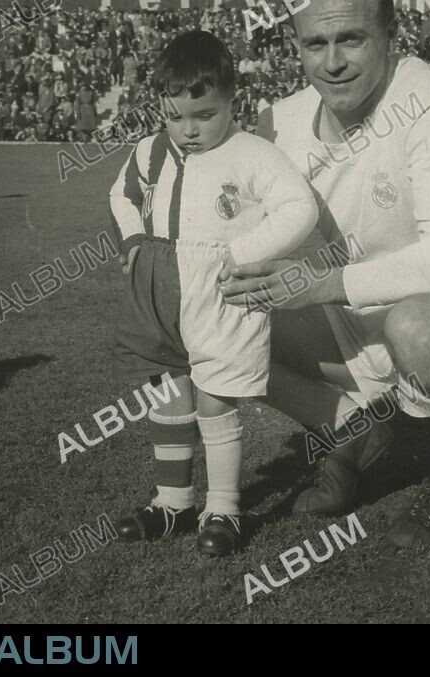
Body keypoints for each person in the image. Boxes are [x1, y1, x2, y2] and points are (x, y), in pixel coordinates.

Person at [218, 0, 430, 547]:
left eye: (351, 39)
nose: (332, 61)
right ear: (296, 47)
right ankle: (349, 430)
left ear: (390, 35)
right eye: (315, 43)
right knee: (202, 306)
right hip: (350, 319)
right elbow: (235, 230)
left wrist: (317, 284)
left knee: (420, 326)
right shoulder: (276, 123)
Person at [109, 31, 317, 557]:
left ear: (232, 102)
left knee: (215, 397)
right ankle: (172, 501)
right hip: (160, 284)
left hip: (220, 288)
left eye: (203, 114)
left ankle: (223, 507)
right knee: (169, 395)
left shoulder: (252, 153)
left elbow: (299, 208)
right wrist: (134, 238)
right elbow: (123, 194)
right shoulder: (149, 151)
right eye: (175, 115)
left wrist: (244, 251)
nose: (188, 129)